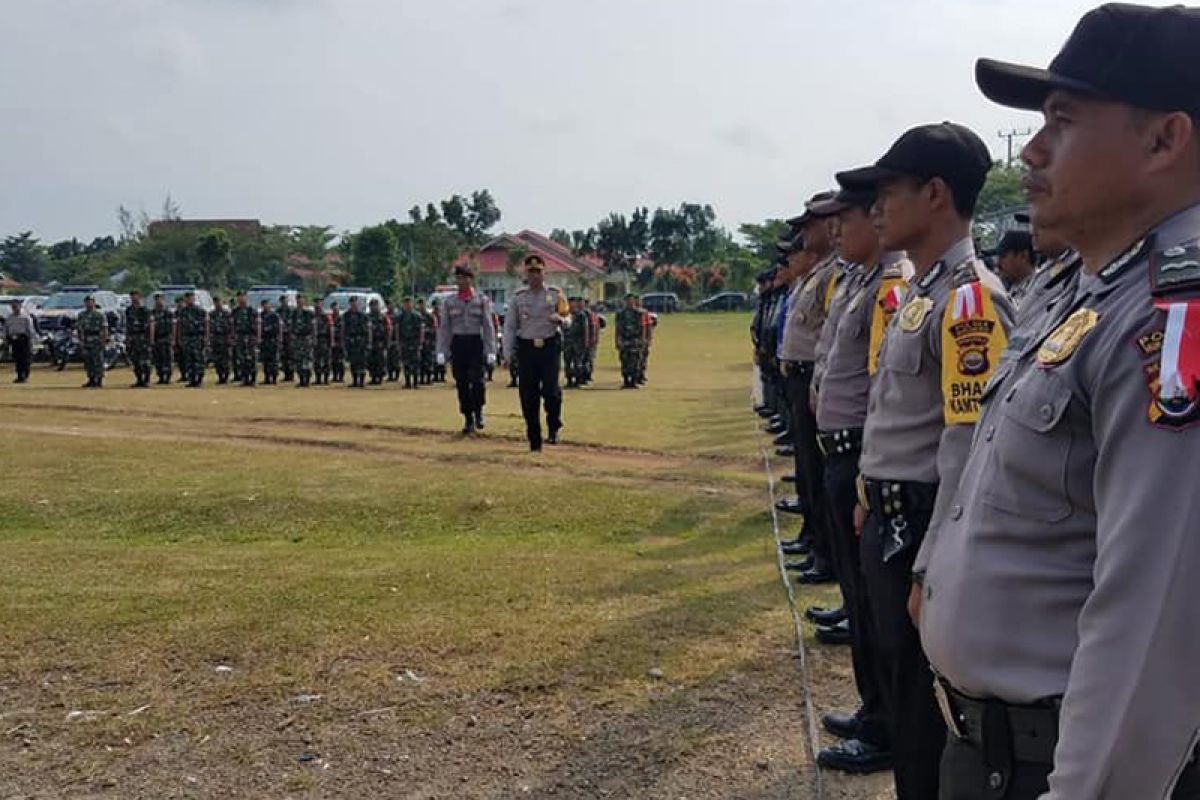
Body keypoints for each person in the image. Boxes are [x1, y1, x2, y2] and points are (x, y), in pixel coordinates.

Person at [916, 6, 1200, 798]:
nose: (1033, 151)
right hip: (989, 745)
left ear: (1163, 140)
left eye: (1063, 122)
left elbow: (1152, 630)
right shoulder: (1080, 287)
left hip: (1065, 765)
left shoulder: (1172, 315)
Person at [839, 121, 1013, 799]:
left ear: (935, 193)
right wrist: (865, 490)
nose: (878, 208)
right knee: (898, 687)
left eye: (890, 191)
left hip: (920, 528)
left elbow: (966, 446)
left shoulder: (969, 297)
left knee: (921, 716)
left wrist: (930, 563)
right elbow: (896, 415)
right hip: (891, 519)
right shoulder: (922, 292)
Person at [810, 180, 912, 776]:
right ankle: (874, 709)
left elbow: (885, 392)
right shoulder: (860, 282)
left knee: (880, 616)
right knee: (861, 601)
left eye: (846, 218)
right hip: (850, 456)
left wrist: (869, 479)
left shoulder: (893, 288)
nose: (836, 230)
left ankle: (885, 723)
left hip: (869, 462)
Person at [776, 192, 841, 589]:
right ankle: (815, 542)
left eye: (811, 223)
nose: (805, 232)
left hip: (818, 384)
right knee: (809, 470)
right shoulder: (820, 274)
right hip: (805, 380)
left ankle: (824, 553)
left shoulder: (836, 274)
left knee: (819, 475)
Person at [503, 254, 570, 451]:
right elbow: (510, 327)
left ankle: (553, 427)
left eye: (538, 272)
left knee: (551, 391)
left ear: (543, 272)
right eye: (531, 272)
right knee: (528, 395)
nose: (534, 276)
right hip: (527, 349)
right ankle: (534, 437)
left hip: (549, 347)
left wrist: (561, 320)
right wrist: (507, 353)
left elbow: (568, 317)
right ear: (526, 273)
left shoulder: (555, 293)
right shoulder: (519, 297)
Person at [437, 265, 497, 433]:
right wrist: (441, 350)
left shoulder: (481, 300)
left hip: (475, 343)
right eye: (459, 278)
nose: (461, 281)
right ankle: (468, 418)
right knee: (462, 383)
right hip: (458, 344)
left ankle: (478, 412)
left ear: (471, 279)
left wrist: (491, 349)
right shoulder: (449, 302)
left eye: (465, 278)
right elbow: (445, 328)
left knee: (477, 381)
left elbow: (487, 325)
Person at [993, 228, 1037, 308]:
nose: (997, 263)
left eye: (1003, 256)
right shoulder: (1010, 288)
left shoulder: (1038, 290)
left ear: (1023, 256)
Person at [176, 291, 209, 387]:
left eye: (191, 298)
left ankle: (199, 379)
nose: (189, 300)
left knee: (198, 359)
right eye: (187, 298)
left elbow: (206, 325)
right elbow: (179, 326)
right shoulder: (182, 312)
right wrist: (179, 338)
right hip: (186, 338)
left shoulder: (200, 311)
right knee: (188, 360)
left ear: (194, 299)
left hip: (197, 337)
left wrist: (206, 338)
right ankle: (191, 379)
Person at [76, 295, 108, 388]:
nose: (88, 304)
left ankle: (99, 380)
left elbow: (104, 328)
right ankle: (91, 379)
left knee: (98, 360)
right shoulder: (82, 315)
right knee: (88, 361)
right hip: (87, 339)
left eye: (90, 301)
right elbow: (79, 328)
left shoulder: (99, 314)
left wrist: (104, 340)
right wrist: (80, 340)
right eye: (86, 302)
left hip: (97, 339)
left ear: (94, 302)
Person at [614, 294, 645, 388]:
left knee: (635, 362)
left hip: (635, 340)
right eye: (628, 301)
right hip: (624, 340)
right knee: (624, 361)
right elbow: (618, 329)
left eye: (631, 301)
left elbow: (642, 328)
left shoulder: (639, 313)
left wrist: (642, 341)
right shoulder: (620, 314)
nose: (630, 303)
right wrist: (617, 341)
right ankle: (626, 381)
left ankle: (634, 381)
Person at [124, 290, 153, 388]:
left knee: (145, 361)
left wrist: (151, 339)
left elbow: (150, 325)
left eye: (135, 296)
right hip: (133, 338)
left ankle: (147, 379)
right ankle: (139, 379)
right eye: (131, 297)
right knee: (135, 360)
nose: (133, 299)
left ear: (140, 297)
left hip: (143, 337)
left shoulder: (145, 310)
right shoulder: (129, 310)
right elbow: (127, 326)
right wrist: (127, 338)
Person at [4, 299, 37, 383]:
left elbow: (30, 329)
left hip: (23, 339)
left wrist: (32, 340)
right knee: (17, 358)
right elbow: (6, 329)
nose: (14, 308)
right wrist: (6, 338)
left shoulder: (25, 317)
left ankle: (25, 374)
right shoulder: (9, 318)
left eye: (15, 306)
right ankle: (20, 375)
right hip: (13, 340)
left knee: (25, 358)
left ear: (20, 306)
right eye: (13, 307)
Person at [231, 291, 259, 386]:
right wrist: (233, 336)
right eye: (238, 297)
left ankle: (253, 379)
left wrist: (257, 337)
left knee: (251, 358)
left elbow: (257, 324)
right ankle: (245, 378)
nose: (240, 299)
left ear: (246, 298)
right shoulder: (235, 311)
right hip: (240, 337)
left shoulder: (252, 310)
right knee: (241, 359)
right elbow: (233, 325)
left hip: (250, 336)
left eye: (242, 297)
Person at [396, 297, 424, 389]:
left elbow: (421, 330)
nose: (407, 306)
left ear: (412, 304)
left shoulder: (417, 316)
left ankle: (415, 382)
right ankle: (408, 382)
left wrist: (420, 342)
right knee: (406, 363)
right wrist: (398, 342)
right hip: (404, 342)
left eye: (409, 304)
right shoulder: (401, 317)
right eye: (405, 304)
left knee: (415, 362)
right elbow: (397, 330)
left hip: (414, 341)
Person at [342, 295, 370, 388]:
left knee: (362, 362)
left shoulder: (362, 316)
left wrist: (368, 342)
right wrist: (344, 341)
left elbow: (368, 330)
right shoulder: (346, 316)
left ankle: (361, 382)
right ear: (350, 304)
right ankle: (354, 381)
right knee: (353, 362)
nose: (354, 304)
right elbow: (344, 329)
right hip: (350, 341)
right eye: (352, 303)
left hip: (361, 341)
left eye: (355, 303)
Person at [290, 295, 316, 387]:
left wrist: (313, 338)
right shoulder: (293, 314)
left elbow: (313, 327)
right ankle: (301, 380)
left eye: (301, 302)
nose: (300, 304)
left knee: (307, 360)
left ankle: (307, 380)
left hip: (306, 339)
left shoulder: (308, 313)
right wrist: (292, 337)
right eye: (298, 302)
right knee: (298, 360)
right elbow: (291, 327)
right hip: (297, 339)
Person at [562, 296, 589, 388]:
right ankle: (569, 380)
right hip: (567, 343)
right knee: (568, 362)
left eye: (573, 303)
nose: (571, 305)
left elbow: (585, 330)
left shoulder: (581, 315)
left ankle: (578, 381)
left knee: (578, 363)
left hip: (578, 343)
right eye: (569, 303)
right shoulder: (565, 315)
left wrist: (585, 342)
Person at [151, 293, 175, 385]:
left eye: (160, 299)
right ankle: (161, 377)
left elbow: (173, 326)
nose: (158, 301)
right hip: (157, 339)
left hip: (166, 338)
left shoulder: (168, 313)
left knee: (168, 358)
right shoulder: (152, 313)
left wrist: (173, 338)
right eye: (156, 300)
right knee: (158, 359)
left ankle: (168, 377)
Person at [209, 296, 233, 385]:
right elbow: (209, 327)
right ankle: (220, 376)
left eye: (219, 301)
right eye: (215, 302)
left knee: (225, 358)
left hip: (225, 337)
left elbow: (231, 326)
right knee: (217, 359)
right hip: (215, 338)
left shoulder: (227, 314)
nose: (217, 304)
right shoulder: (212, 314)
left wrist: (231, 337)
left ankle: (226, 376)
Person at [366, 298, 390, 386]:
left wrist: (387, 342)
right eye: (372, 305)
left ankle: (379, 378)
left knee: (380, 361)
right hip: (371, 342)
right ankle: (373, 377)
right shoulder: (367, 317)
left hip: (380, 341)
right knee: (371, 361)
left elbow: (388, 329)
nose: (374, 307)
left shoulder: (383, 317)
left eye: (375, 305)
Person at [312, 297, 333, 385]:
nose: (317, 305)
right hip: (315, 340)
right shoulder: (312, 315)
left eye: (319, 303)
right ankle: (318, 379)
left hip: (324, 339)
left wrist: (331, 341)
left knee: (326, 360)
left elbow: (331, 328)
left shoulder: (326, 315)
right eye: (316, 303)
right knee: (316, 360)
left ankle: (325, 379)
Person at [416, 297, 436, 385]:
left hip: (429, 341)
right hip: (419, 342)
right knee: (420, 360)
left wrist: (428, 332)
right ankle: (421, 378)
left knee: (428, 360)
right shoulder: (417, 316)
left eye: (422, 304)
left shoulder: (430, 316)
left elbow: (435, 328)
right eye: (420, 305)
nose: (421, 306)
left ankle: (428, 378)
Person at [329, 301, 346, 383]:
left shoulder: (341, 318)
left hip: (340, 340)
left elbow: (343, 330)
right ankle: (335, 376)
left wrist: (343, 341)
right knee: (334, 360)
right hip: (333, 341)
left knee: (340, 360)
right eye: (333, 308)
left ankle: (341, 377)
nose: (335, 309)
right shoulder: (331, 317)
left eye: (336, 307)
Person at [278, 295, 294, 382]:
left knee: (290, 356)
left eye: (285, 301)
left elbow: (292, 323)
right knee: (283, 356)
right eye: (282, 301)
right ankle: (286, 374)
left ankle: (290, 374)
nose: (284, 302)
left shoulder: (291, 311)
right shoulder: (278, 311)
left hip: (289, 336)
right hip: (281, 336)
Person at [386, 300, 402, 382]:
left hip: (396, 340)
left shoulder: (398, 315)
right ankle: (390, 376)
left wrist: (398, 340)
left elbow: (398, 328)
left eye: (391, 304)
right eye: (388, 304)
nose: (389, 306)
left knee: (396, 359)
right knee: (389, 360)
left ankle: (396, 376)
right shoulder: (386, 315)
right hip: (388, 340)